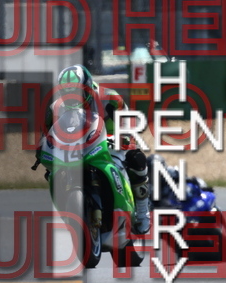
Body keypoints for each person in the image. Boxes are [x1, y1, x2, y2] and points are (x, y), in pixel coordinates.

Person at [42, 64, 151, 234]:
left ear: (88, 86)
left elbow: (127, 122)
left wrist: (122, 138)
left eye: (78, 92)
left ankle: (143, 212)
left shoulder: (109, 98)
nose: (73, 98)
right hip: (75, 146)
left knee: (136, 159)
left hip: (109, 140)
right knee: (51, 173)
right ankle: (69, 212)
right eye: (67, 94)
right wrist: (44, 146)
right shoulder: (56, 108)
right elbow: (48, 132)